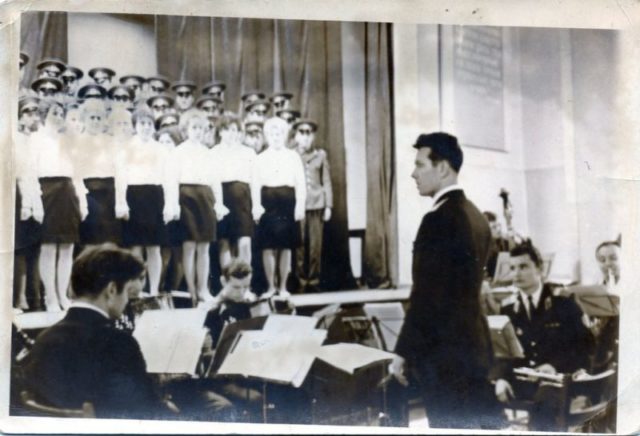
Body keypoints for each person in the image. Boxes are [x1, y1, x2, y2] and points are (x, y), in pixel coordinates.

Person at [21, 245, 234, 420]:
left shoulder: (45, 338)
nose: (126, 302)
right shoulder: (118, 343)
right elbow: (146, 412)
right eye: (128, 294)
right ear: (112, 290)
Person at [390, 132, 497, 429]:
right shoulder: (477, 217)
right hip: (474, 350)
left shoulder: (438, 219)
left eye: (420, 164)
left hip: (445, 358)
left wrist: (402, 352)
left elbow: (426, 297)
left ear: (443, 168)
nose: (413, 173)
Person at [493, 242, 594, 431]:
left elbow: (584, 347)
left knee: (545, 403)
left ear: (539, 268)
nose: (516, 273)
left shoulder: (563, 301)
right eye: (512, 268)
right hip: (525, 378)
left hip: (560, 377)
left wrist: (555, 365)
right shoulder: (507, 308)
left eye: (523, 267)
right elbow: (504, 352)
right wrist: (501, 378)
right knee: (478, 395)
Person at [34, 99, 88, 311]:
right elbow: (31, 173)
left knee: (67, 247)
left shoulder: (68, 141)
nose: (57, 117)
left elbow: (78, 175)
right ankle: (50, 297)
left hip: (68, 192)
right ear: (44, 115)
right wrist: (36, 203)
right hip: (47, 192)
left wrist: (82, 202)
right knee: (48, 247)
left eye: (60, 113)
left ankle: (63, 294)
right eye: (53, 113)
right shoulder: (36, 140)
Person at [117, 107, 177, 296]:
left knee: (154, 247)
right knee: (135, 247)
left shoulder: (160, 149)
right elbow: (121, 178)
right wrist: (121, 203)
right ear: (135, 125)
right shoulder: (126, 148)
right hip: (134, 197)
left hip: (154, 198)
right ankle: (136, 289)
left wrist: (170, 205)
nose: (146, 127)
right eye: (142, 123)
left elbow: (169, 179)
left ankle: (153, 290)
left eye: (149, 124)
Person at [172, 110, 228, 303]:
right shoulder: (178, 152)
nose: (196, 132)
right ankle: (191, 291)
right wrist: (173, 204)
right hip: (186, 197)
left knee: (204, 247)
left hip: (205, 198)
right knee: (189, 246)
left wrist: (219, 203)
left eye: (200, 128)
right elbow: (172, 180)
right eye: (193, 128)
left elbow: (215, 181)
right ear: (186, 130)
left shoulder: (208, 153)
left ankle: (203, 289)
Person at [252, 117, 306, 298]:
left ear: (285, 135)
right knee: (268, 247)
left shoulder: (293, 156)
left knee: (285, 247)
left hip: (287, 205)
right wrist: (257, 206)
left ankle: (283, 287)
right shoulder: (260, 158)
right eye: (272, 133)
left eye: (280, 133)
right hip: (268, 204)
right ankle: (270, 287)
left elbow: (301, 184)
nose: (276, 137)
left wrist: (300, 205)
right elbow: (255, 185)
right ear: (267, 136)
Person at [210, 114, 257, 268]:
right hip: (222, 199)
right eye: (227, 130)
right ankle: (228, 284)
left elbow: (255, 182)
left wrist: (257, 205)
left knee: (244, 242)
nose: (232, 133)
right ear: (220, 132)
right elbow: (212, 181)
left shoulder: (248, 153)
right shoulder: (214, 153)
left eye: (235, 130)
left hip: (243, 201)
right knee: (224, 243)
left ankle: (245, 284)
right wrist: (218, 204)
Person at [292, 119, 332, 293]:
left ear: (313, 136)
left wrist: (329, 205)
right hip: (298, 205)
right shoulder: (292, 155)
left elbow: (327, 181)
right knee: (299, 246)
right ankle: (301, 282)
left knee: (315, 246)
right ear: (296, 136)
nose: (305, 137)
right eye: (302, 133)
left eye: (309, 133)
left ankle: (314, 281)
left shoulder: (321, 155)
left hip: (316, 205)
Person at [14, 97, 44, 310]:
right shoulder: (15, 139)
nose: (32, 117)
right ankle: (19, 297)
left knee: (35, 248)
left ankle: (35, 297)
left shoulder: (37, 140)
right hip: (20, 196)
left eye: (35, 113)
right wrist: (26, 202)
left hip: (38, 196)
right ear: (20, 117)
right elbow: (20, 173)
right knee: (20, 249)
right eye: (27, 113)